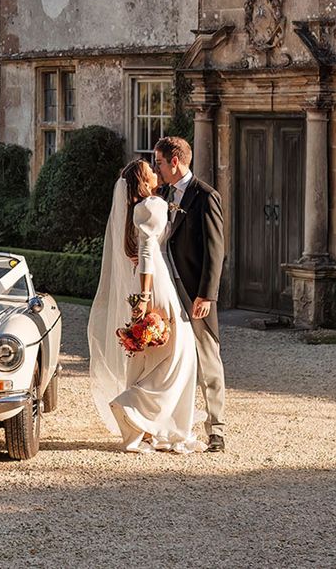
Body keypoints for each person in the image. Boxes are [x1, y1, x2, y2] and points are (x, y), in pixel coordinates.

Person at [88, 158, 200, 453]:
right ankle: (131, 407)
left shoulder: (139, 208)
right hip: (155, 283)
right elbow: (148, 251)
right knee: (180, 354)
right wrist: (145, 296)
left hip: (148, 280)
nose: (155, 170)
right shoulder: (151, 205)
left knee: (153, 354)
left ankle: (145, 426)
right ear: (143, 179)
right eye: (150, 169)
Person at [153, 135, 227, 453]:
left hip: (195, 291)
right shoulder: (166, 193)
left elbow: (216, 250)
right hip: (168, 289)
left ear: (175, 162)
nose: (156, 168)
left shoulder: (206, 196)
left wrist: (207, 295)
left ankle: (217, 429)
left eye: (159, 162)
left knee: (207, 358)